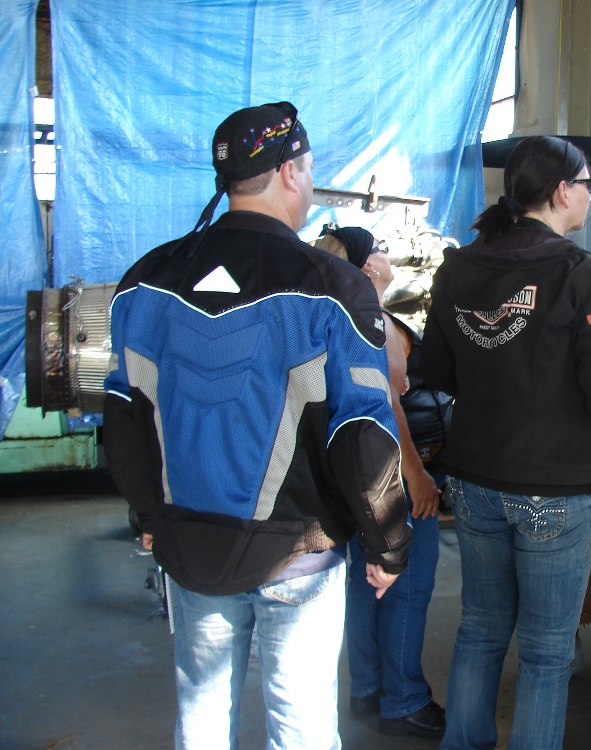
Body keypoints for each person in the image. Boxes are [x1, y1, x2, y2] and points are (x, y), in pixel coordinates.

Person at [103, 102, 412, 750]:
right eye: (309, 169)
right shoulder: (332, 288)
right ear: (290, 172)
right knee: (300, 731)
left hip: (192, 546)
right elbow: (362, 434)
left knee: (201, 718)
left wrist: (150, 515)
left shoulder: (145, 281)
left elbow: (125, 420)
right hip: (297, 555)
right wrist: (387, 542)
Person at [420, 136, 591, 750]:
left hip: (475, 480)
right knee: (545, 650)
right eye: (589, 184)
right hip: (554, 485)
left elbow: (437, 371)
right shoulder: (579, 272)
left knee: (480, 629)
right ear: (563, 191)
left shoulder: (459, 267)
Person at [315, 225, 448, 739]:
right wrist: (418, 477)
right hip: (392, 475)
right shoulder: (374, 320)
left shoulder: (331, 314)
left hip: (349, 473)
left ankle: (367, 688)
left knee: (365, 580)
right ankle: (404, 699)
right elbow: (388, 405)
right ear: (368, 265)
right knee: (406, 585)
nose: (391, 257)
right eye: (383, 250)